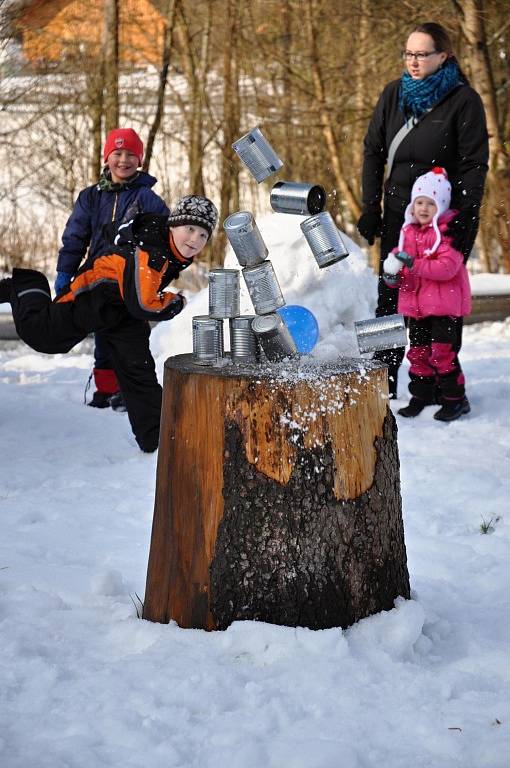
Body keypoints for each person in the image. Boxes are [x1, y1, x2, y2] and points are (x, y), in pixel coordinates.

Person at [0, 195, 218, 452]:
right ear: (173, 225)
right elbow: (145, 304)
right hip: (91, 298)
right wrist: (177, 302)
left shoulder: (167, 246)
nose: (194, 239)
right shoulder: (153, 251)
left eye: (203, 235)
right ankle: (24, 283)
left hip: (120, 310)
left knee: (138, 368)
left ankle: (158, 440)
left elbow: (118, 241)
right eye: (190, 229)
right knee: (44, 336)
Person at [357, 22, 488, 398]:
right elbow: (373, 151)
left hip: (443, 221)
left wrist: (466, 215)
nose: (413, 61)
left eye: (422, 54)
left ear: (443, 56)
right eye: (409, 53)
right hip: (399, 216)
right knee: (391, 293)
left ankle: (441, 384)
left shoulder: (464, 102)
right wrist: (371, 207)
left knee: (438, 302)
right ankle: (385, 377)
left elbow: (473, 164)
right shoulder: (393, 94)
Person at [55, 127, 169, 409]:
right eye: (117, 153)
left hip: (131, 280)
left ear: (139, 160)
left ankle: (129, 392)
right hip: (98, 279)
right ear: (107, 158)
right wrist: (65, 271)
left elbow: (164, 237)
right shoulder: (90, 197)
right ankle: (106, 391)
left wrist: (156, 275)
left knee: (131, 338)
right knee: (104, 336)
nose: (123, 160)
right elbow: (75, 237)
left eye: (131, 154)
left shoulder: (146, 198)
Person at [382, 167, 471, 422]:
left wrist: (414, 263)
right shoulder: (407, 233)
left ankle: (455, 399)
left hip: (444, 306)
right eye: (419, 202)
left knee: (442, 352)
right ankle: (422, 396)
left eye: (430, 204)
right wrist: (393, 276)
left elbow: (447, 268)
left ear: (441, 205)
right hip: (417, 306)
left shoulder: (449, 233)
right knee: (418, 353)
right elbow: (406, 272)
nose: (423, 208)